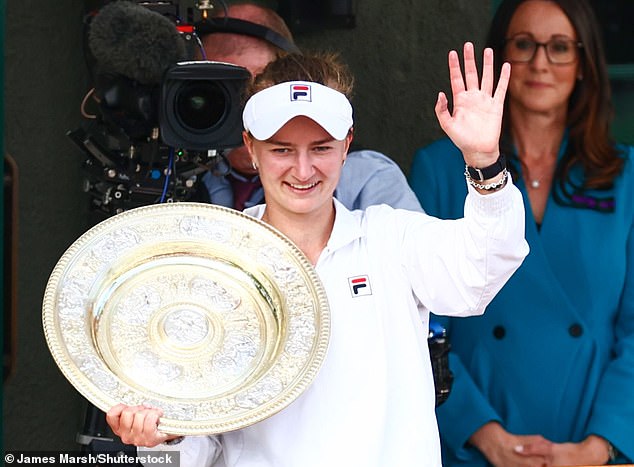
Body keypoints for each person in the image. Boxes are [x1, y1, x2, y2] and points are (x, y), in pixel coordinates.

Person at [105, 45, 528, 467]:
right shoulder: (215, 264)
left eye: (321, 148)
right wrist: (162, 438)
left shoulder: (390, 238)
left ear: (347, 145)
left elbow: (481, 273)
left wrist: (484, 161)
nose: (303, 171)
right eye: (282, 150)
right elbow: (194, 455)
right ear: (250, 147)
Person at [409, 0, 634, 465]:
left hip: (589, 444)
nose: (540, 63)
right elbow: (417, 320)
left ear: (585, 62)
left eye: (559, 48)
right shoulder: (438, 168)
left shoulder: (625, 177)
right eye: (525, 44)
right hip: (470, 445)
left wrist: (599, 446)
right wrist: (481, 432)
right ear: (502, 57)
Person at [196, 2, 423, 212]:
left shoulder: (366, 179)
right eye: (221, 88)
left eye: (256, 83)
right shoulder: (179, 174)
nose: (243, 102)